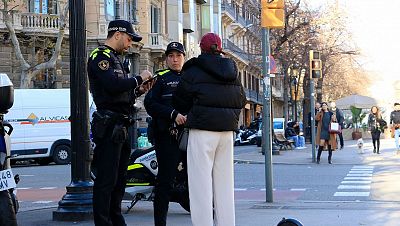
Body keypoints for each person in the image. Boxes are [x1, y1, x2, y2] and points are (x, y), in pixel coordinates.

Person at [172, 33, 246, 226]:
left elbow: (180, 100)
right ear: (219, 48)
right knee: (224, 184)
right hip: (227, 133)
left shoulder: (193, 70)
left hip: (201, 130)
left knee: (200, 185)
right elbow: (241, 100)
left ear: (201, 48)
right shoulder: (232, 70)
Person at [88, 19, 153, 226]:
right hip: (109, 125)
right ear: (117, 35)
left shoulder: (116, 58)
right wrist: (139, 79)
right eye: (128, 39)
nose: (130, 44)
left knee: (119, 179)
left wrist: (137, 91)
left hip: (122, 126)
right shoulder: (101, 56)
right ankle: (103, 222)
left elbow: (120, 93)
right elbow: (112, 85)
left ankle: (115, 218)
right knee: (106, 180)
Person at [143, 42, 187, 226]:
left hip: (190, 136)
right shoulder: (160, 78)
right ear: (166, 58)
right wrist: (173, 115)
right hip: (167, 136)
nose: (175, 59)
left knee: (196, 179)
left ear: (184, 57)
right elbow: (150, 104)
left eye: (178, 55)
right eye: (171, 56)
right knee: (165, 181)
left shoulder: (191, 77)